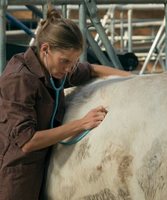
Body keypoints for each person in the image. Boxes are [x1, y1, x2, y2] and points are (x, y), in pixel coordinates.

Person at [0, 6, 132, 200]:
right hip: (15, 173)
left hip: (42, 166)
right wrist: (82, 124)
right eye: (65, 61)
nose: (70, 68)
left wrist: (137, 80)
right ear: (45, 49)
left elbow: (92, 70)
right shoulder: (19, 79)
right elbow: (27, 142)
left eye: (74, 61)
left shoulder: (53, 67)